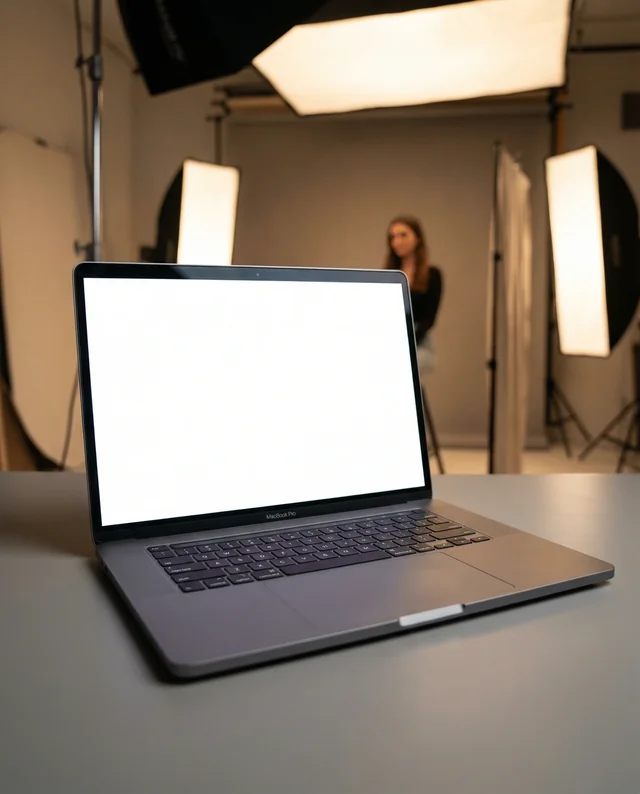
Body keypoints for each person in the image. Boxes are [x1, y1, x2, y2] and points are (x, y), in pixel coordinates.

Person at [385, 216, 443, 372]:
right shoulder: (388, 275)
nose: (397, 241)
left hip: (418, 341)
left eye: (403, 235)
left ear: (417, 238)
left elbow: (428, 319)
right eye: (393, 237)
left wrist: (407, 341)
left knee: (406, 372)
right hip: (390, 339)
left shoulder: (431, 275)